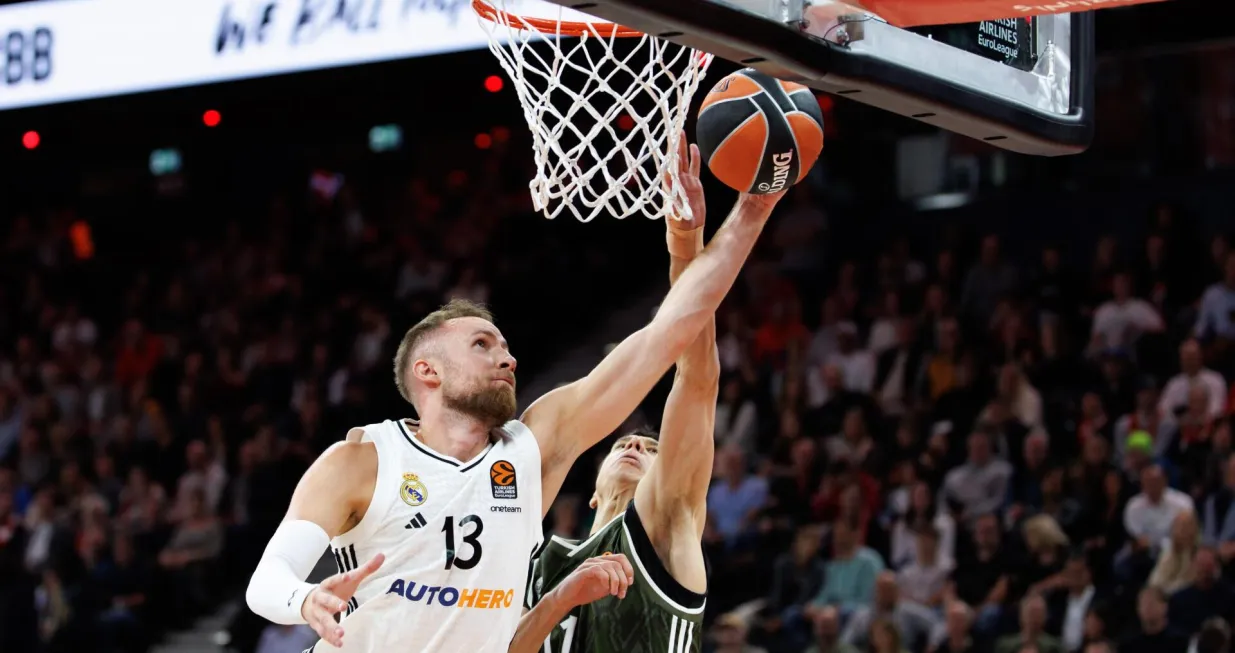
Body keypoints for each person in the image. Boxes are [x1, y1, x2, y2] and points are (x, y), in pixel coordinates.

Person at [242, 137, 785, 653]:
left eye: (505, 345)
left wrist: (749, 212)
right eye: (483, 344)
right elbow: (266, 582)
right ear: (428, 371)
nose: (508, 357)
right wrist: (305, 598)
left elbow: (670, 333)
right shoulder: (361, 462)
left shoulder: (532, 451)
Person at [509, 139, 724, 653]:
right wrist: (560, 598)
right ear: (590, 490)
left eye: (652, 451)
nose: (635, 447)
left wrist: (685, 247)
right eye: (626, 446)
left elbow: (696, 379)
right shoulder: (536, 561)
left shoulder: (669, 519)